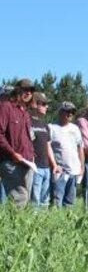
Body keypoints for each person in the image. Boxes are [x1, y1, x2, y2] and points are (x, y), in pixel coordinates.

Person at [0, 79, 36, 207]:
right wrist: (12, 153)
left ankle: (14, 225)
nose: (28, 93)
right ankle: (12, 226)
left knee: (25, 201)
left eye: (31, 91)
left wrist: (31, 155)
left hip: (27, 162)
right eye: (25, 89)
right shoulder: (6, 107)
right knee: (19, 198)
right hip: (11, 161)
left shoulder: (25, 113)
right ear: (17, 90)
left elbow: (27, 138)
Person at [49, 102, 84, 207]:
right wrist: (54, 165)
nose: (70, 114)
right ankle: (55, 221)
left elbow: (80, 148)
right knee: (56, 201)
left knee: (70, 202)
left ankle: (67, 222)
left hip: (74, 170)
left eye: (72, 112)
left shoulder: (75, 129)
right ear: (60, 112)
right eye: (67, 111)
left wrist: (82, 167)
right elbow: (48, 147)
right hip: (60, 171)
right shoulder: (51, 127)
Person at [29, 92, 60, 207]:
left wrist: (54, 164)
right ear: (35, 104)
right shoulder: (27, 121)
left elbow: (48, 146)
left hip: (46, 167)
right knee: (34, 200)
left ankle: (43, 223)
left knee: (45, 201)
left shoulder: (44, 125)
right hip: (35, 167)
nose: (47, 107)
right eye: (44, 104)